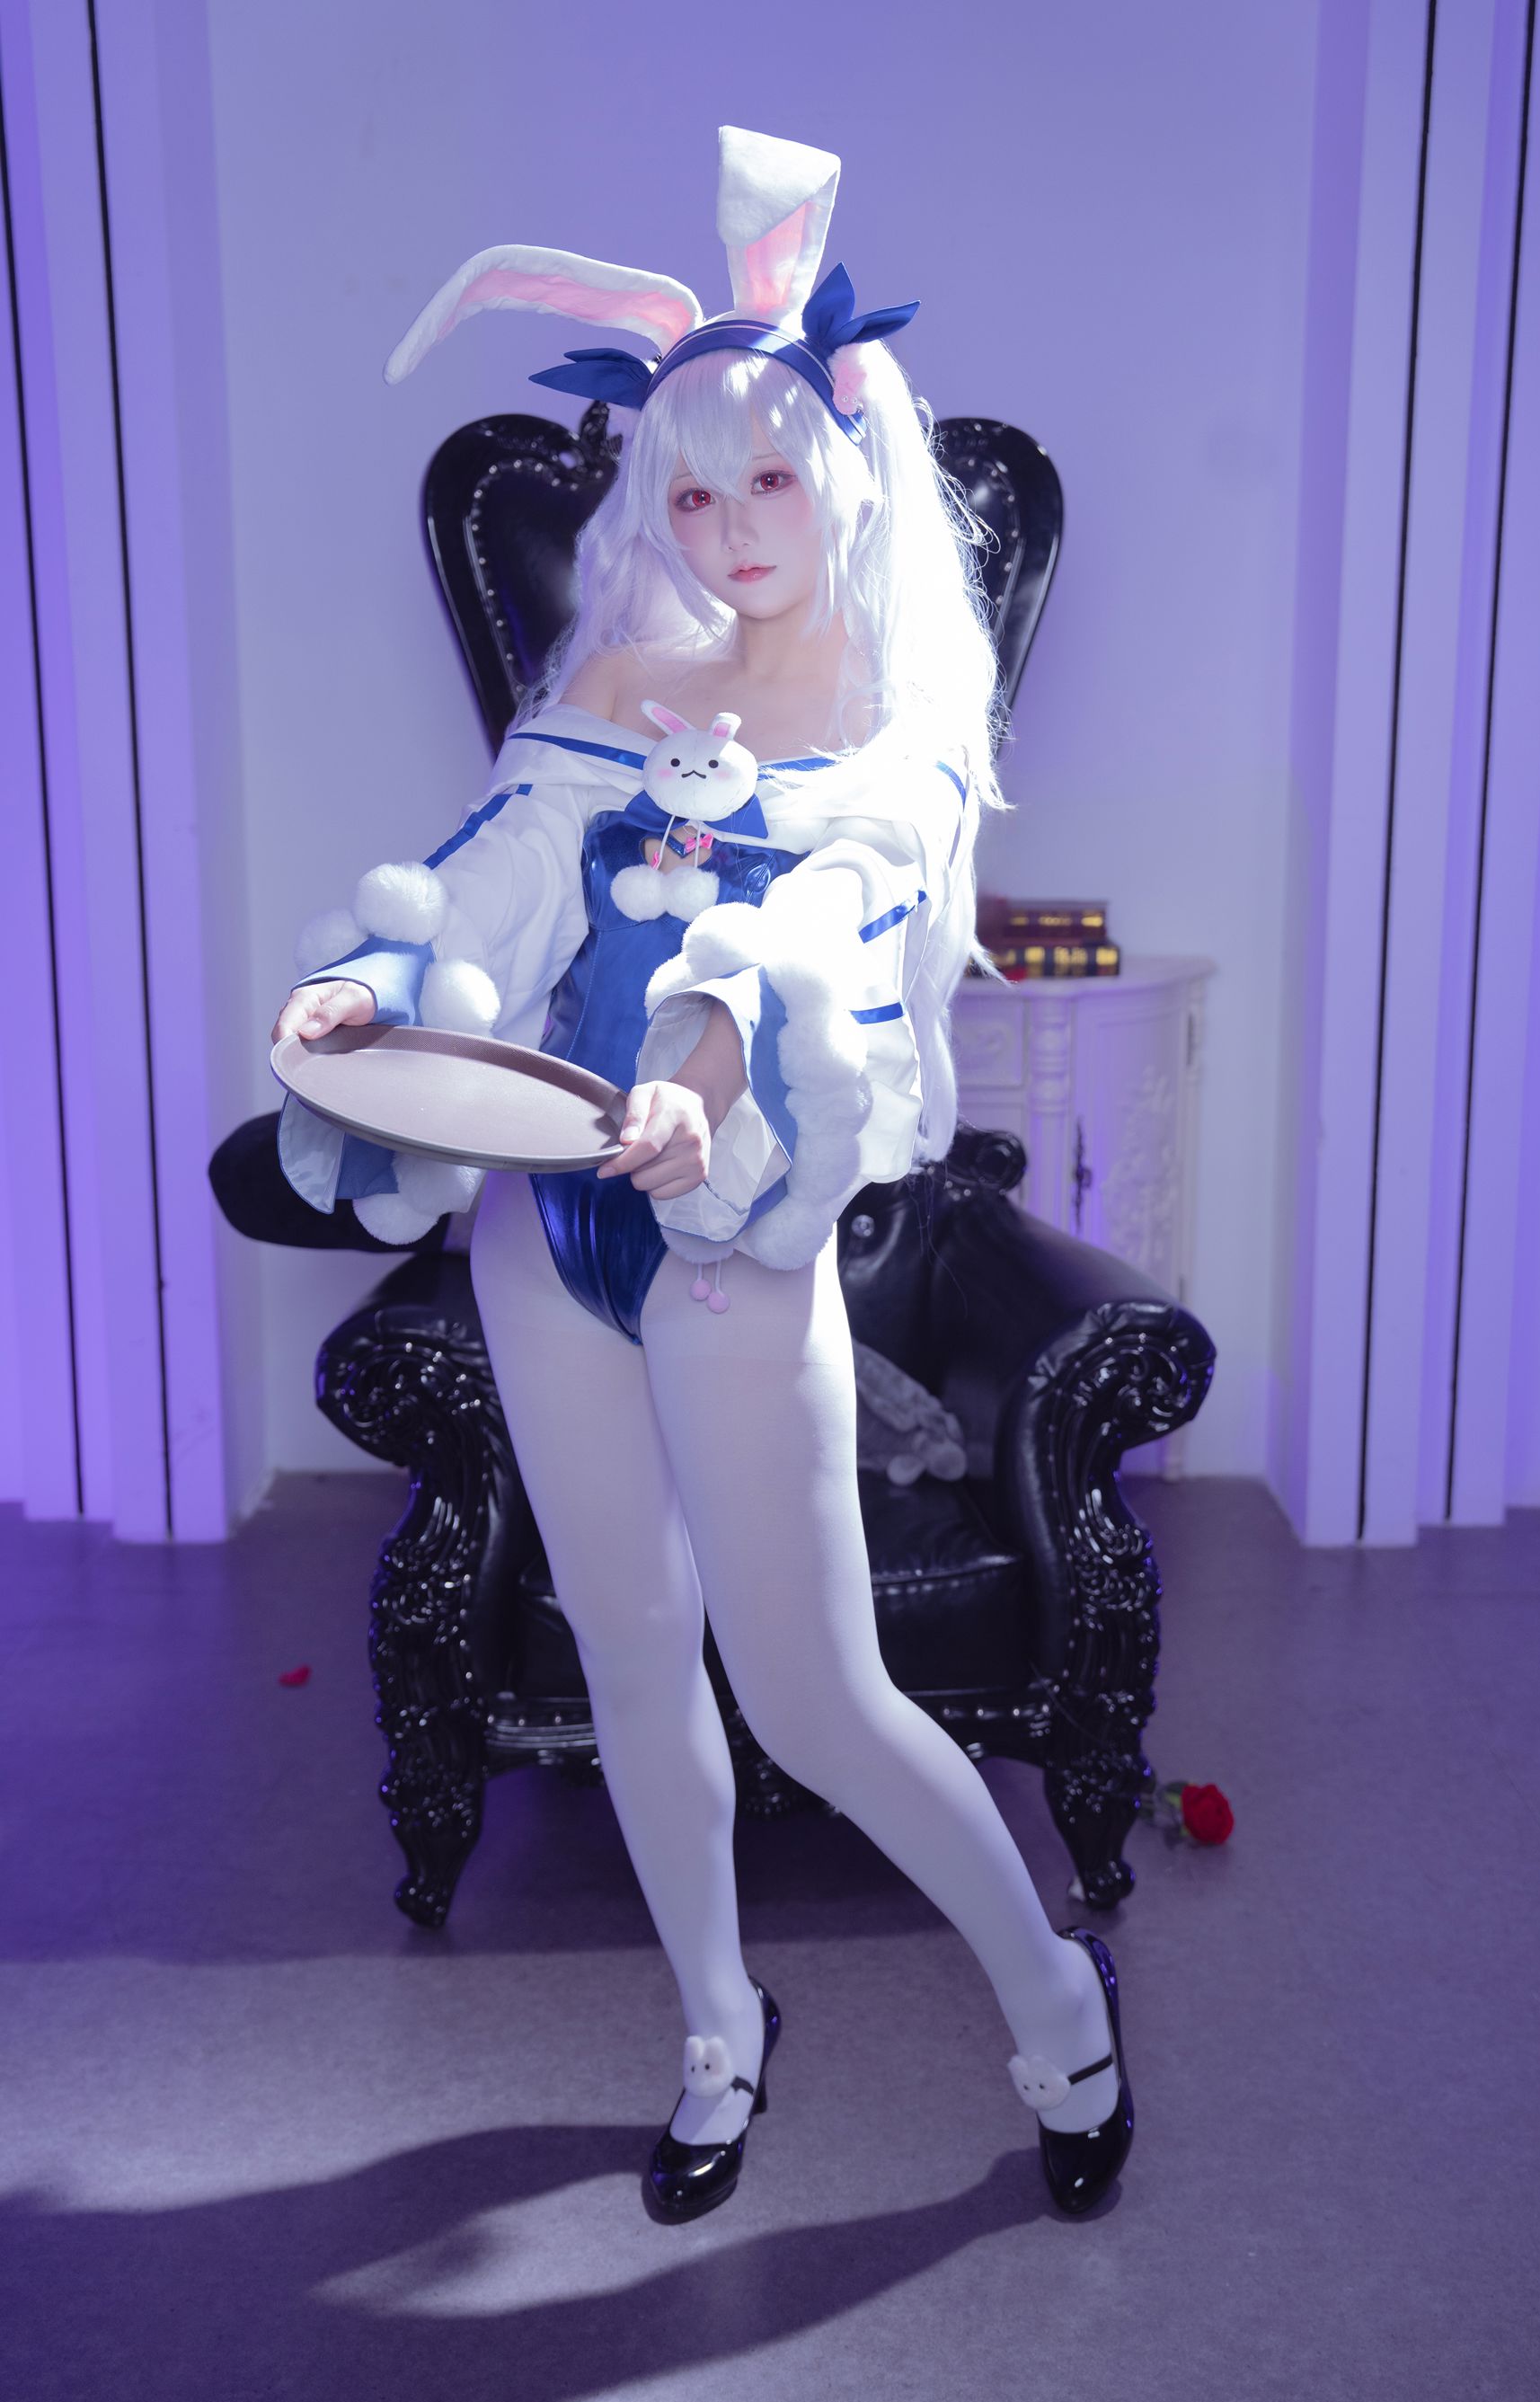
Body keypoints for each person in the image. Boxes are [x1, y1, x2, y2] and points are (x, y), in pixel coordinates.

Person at [272, 126, 1133, 2222]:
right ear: (650, 502)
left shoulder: (902, 717)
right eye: (692, 491)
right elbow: (495, 886)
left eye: (771, 480)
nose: (733, 527)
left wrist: (708, 1063)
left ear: (844, 477)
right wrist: (374, 989)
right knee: (634, 1651)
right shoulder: (611, 683)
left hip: (730, 1218)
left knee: (815, 1695)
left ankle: (1058, 2003)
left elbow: (832, 929)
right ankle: (719, 2033)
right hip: (543, 1218)